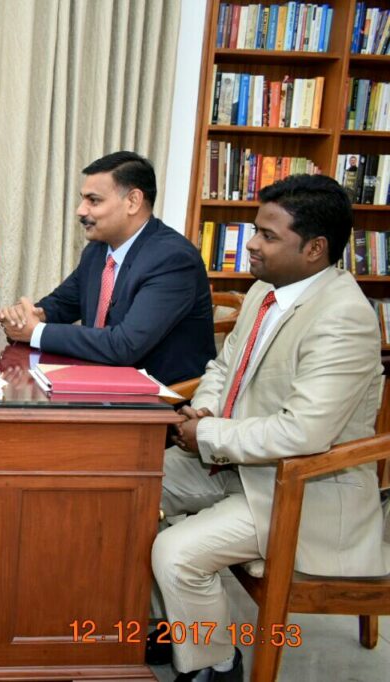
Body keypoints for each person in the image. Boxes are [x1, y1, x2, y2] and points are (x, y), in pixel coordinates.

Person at [152, 174, 390, 680]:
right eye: (255, 230)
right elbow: (223, 368)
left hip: (302, 490)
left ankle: (216, 663)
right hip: (240, 463)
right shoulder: (266, 289)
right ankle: (175, 627)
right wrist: (208, 413)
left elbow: (303, 434)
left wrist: (209, 436)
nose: (252, 245)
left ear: (315, 249)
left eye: (268, 235)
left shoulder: (344, 317)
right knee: (130, 486)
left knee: (176, 552)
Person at [0, 151, 214, 385]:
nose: (80, 210)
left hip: (158, 399)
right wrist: (25, 316)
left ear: (133, 202)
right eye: (83, 199)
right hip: (99, 383)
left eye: (94, 200)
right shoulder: (98, 251)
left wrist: (36, 331)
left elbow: (124, 345)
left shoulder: (173, 259)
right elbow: (62, 303)